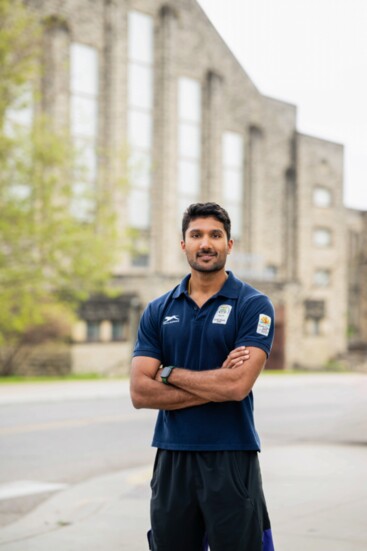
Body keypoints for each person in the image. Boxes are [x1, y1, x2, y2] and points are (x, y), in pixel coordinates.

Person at [130, 202, 275, 551]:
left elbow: (238, 385)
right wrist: (218, 386)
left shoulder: (253, 305)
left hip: (231, 454)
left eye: (215, 235)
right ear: (183, 244)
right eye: (196, 235)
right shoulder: (159, 309)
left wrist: (167, 372)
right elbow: (139, 393)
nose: (205, 243)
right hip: (171, 455)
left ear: (229, 243)